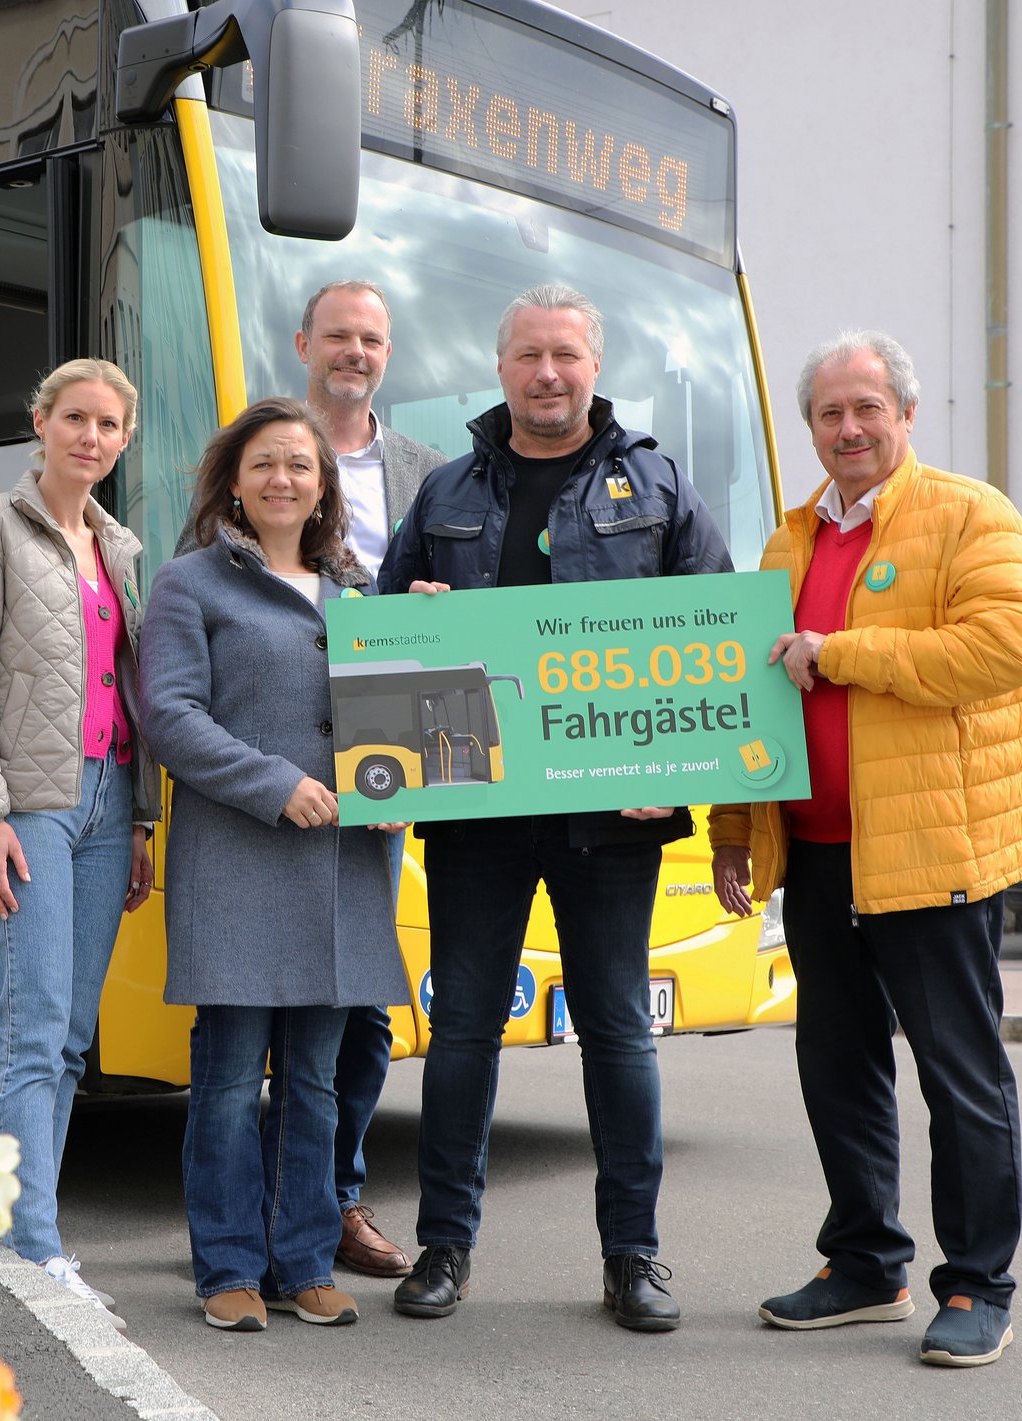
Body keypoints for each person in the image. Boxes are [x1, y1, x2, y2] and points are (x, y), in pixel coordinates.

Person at [378, 283, 731, 1332]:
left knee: (618, 1030)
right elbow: (383, 642)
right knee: (462, 1029)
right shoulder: (442, 488)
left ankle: (633, 1257)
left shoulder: (659, 488)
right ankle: (443, 1246)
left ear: (592, 363)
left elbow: (708, 634)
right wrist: (408, 619)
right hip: (476, 811)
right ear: (500, 369)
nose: (547, 372)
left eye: (565, 354)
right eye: (528, 354)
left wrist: (676, 768)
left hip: (612, 817)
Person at [710, 331, 1022, 1368]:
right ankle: (864, 1261)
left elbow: (1001, 645)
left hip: (928, 849)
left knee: (959, 1073)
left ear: (903, 416)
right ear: (809, 426)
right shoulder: (784, 543)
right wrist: (735, 830)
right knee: (837, 1062)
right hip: (817, 852)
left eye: (866, 408)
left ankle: (974, 1284)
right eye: (829, 412)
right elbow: (755, 698)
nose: (848, 428)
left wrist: (843, 652)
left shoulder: (968, 513)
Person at [175, 280, 445, 1277]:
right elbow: (178, 699)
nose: (355, 350)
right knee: (242, 1059)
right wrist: (274, 781)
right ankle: (240, 1251)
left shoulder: (426, 477)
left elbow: (419, 652)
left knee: (345, 1046)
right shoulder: (202, 564)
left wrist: (423, 623)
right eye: (338, 334)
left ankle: (319, 1219)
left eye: (372, 336)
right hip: (261, 830)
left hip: (362, 817)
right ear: (303, 344)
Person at [142, 397, 410, 1332]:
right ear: (234, 481)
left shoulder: (359, 593)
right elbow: (170, 718)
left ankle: (302, 1261)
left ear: (324, 484)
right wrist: (275, 782)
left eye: (300, 464)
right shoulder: (189, 584)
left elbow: (398, 730)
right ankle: (225, 1269)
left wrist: (400, 798)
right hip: (238, 864)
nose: (283, 479)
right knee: (224, 1084)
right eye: (264, 464)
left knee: (313, 1084)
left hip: (341, 869)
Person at [0, 358, 160, 1328]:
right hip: (25, 806)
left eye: (106, 424)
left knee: (66, 1035)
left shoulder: (116, 548)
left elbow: (131, 697)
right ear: (38, 423)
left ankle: (24, 1233)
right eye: (73, 419)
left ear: (121, 439)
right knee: (29, 1022)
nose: (89, 436)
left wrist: (139, 818)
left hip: (104, 806)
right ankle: (32, 1249)